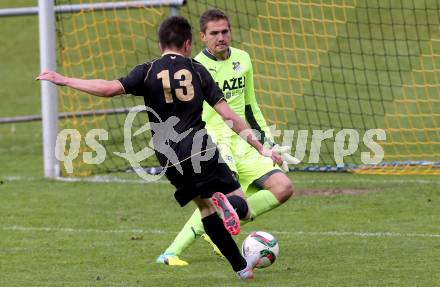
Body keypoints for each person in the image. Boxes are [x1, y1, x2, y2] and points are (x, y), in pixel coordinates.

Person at [36, 16, 284, 280]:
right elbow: (230, 117)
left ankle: (240, 267)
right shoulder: (198, 70)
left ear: (161, 43)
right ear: (188, 44)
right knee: (241, 204)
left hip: (169, 158)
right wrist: (261, 148)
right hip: (200, 148)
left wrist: (65, 80)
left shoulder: (147, 70)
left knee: (205, 210)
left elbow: (108, 89)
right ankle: (231, 206)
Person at [157, 9, 295, 266]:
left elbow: (250, 106)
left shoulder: (243, 59)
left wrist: (267, 143)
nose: (221, 37)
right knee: (216, 201)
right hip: (213, 141)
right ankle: (170, 253)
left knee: (283, 187)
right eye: (214, 33)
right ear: (202, 37)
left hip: (243, 139)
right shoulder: (193, 67)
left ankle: (222, 219)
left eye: (225, 32)